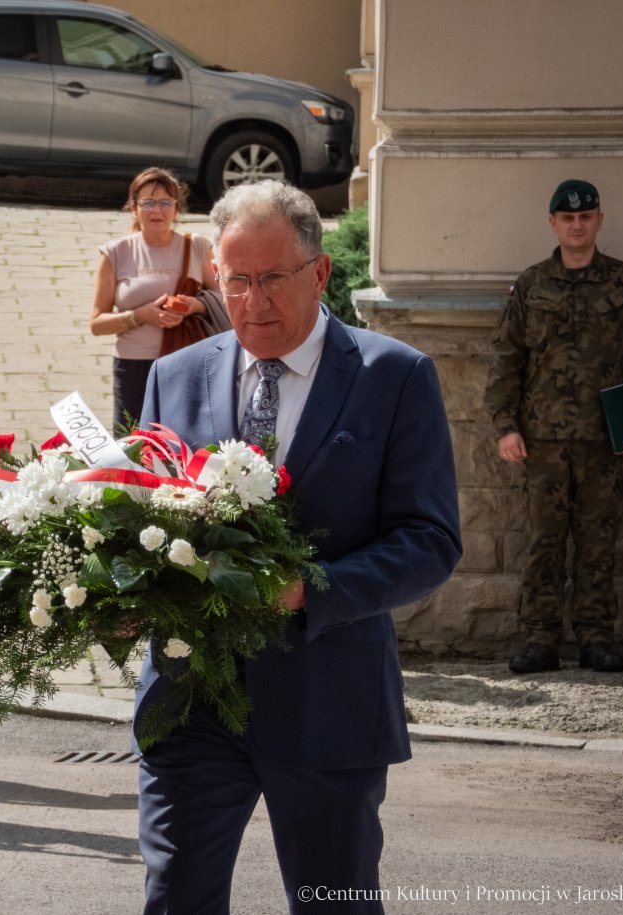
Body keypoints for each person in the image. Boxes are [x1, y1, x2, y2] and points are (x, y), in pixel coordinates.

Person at [136, 180, 462, 914]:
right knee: (175, 899)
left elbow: (431, 540)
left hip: (328, 706)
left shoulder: (395, 377)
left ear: (318, 272)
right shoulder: (173, 375)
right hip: (191, 704)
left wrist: (308, 589)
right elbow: (146, 513)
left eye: (273, 278)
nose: (253, 300)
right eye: (235, 279)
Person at [485, 179, 623, 675]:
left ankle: (596, 638)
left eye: (585, 216)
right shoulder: (531, 285)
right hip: (542, 441)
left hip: (603, 440)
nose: (576, 224)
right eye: (567, 218)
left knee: (598, 542)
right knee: (544, 540)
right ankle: (540, 639)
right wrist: (506, 425)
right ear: (553, 223)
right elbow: (506, 361)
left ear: (598, 221)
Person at [89, 166, 224, 431]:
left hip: (185, 360)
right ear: (134, 208)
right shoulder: (116, 252)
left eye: (165, 202)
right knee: (132, 442)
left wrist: (191, 305)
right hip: (133, 366)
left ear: (177, 208)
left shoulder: (196, 246)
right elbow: (97, 323)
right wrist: (140, 315)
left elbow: (224, 295)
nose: (157, 210)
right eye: (148, 203)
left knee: (183, 440)